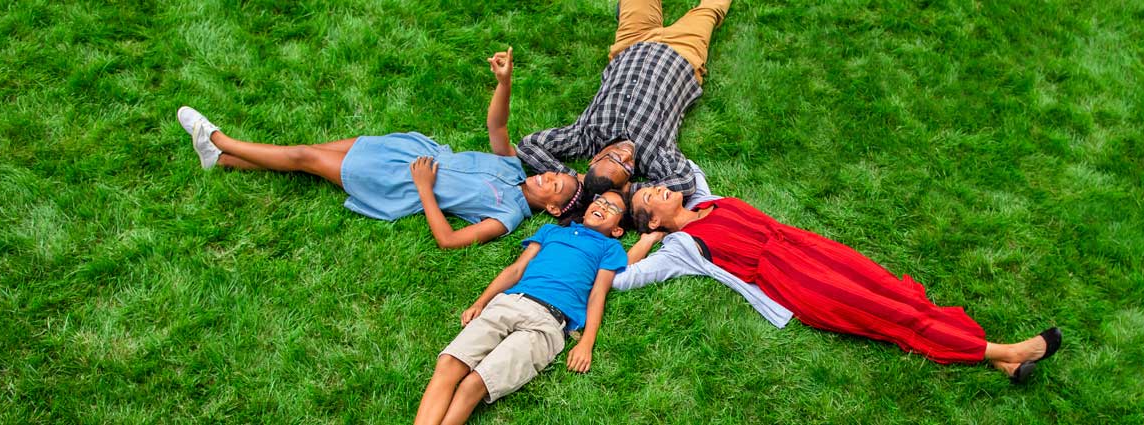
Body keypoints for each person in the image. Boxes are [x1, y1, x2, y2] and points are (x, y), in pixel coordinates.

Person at [616, 166, 1063, 383]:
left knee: (893, 291)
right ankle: (1001, 350)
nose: (660, 187)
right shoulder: (680, 248)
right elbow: (622, 277)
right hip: (794, 280)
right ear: (654, 221)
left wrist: (620, 177)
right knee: (891, 316)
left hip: (809, 247)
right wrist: (642, 242)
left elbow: (685, 163)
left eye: (654, 185)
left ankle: (1005, 363)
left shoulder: (706, 201)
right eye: (650, 197)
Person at [175, 49, 585, 249]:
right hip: (405, 151)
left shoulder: (508, 215)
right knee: (311, 152)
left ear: (550, 208)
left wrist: (425, 188)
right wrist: (504, 84)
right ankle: (224, 160)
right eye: (555, 174)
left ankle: (216, 138)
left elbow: (449, 241)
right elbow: (497, 125)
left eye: (555, 186)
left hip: (398, 180)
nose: (548, 175)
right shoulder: (513, 167)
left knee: (302, 156)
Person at [413, 191, 630, 425]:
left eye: (613, 207)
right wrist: (480, 303)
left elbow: (599, 294)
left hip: (546, 322)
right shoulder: (551, 231)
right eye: (600, 200)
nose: (603, 205)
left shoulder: (609, 248)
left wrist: (586, 343)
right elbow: (515, 270)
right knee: (448, 364)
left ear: (617, 230)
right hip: (510, 302)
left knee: (473, 383)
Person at [515, 0, 732, 201]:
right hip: (682, 52)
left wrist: (574, 178)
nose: (627, 156)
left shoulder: (584, 137)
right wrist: (628, 190)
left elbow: (528, 146)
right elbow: (685, 182)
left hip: (630, 45)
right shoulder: (654, 154)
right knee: (710, 10)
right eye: (628, 169)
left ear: (595, 158)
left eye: (615, 158)